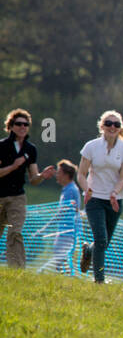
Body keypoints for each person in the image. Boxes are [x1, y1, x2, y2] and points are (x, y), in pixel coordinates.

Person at [77, 110, 123, 284]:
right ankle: (99, 281)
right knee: (101, 240)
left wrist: (114, 193)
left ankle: (88, 251)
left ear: (120, 128)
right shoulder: (91, 146)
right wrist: (87, 189)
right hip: (94, 199)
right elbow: (81, 174)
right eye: (109, 123)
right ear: (102, 126)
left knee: (104, 243)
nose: (112, 127)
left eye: (116, 124)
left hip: (114, 201)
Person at [0, 108, 57, 268]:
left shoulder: (30, 149)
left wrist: (42, 176)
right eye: (18, 124)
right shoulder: (2, 146)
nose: (23, 127)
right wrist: (13, 166)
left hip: (17, 197)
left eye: (26, 124)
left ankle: (17, 269)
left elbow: (33, 179)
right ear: (10, 126)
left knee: (15, 232)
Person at [37, 160, 81, 274]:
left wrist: (45, 228)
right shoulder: (68, 189)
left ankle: (64, 277)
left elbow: (62, 213)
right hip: (66, 231)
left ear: (66, 175)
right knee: (61, 258)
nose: (57, 175)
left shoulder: (70, 190)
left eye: (59, 172)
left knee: (61, 259)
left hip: (68, 232)